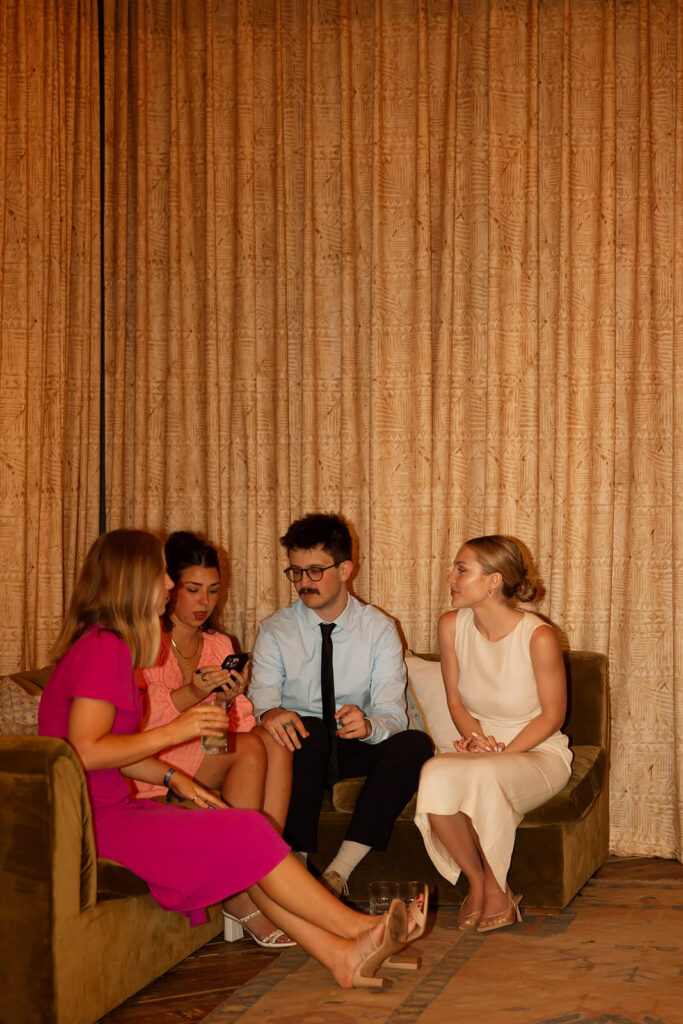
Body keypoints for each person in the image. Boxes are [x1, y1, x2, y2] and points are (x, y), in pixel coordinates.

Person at [37, 528, 427, 989]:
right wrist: (176, 732)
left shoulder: (106, 645)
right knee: (247, 827)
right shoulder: (104, 649)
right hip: (94, 819)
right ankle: (362, 930)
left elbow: (102, 750)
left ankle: (343, 957)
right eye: (163, 575)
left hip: (111, 807)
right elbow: (81, 751)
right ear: (131, 580)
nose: (168, 585)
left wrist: (172, 777)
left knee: (247, 830)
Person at [250, 513, 433, 896]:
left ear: (346, 569)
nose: (303, 583)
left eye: (315, 571)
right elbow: (263, 697)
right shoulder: (275, 629)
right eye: (296, 572)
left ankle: (338, 872)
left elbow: (392, 710)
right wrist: (271, 712)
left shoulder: (379, 629)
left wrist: (368, 726)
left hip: (354, 744)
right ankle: (295, 873)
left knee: (414, 745)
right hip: (301, 748)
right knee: (308, 729)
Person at [136, 532, 293, 945]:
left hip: (205, 756)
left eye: (213, 590)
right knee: (257, 744)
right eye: (192, 590)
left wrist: (225, 700)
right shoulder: (143, 644)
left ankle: (265, 865)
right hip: (154, 765)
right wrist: (192, 694)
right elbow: (139, 728)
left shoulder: (219, 644)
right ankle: (249, 887)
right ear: (168, 586)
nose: (204, 603)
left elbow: (229, 736)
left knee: (272, 738)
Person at [414, 535, 573, 932]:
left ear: (493, 581)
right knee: (434, 772)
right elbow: (456, 702)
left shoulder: (539, 637)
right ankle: (480, 881)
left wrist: (498, 755)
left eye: (461, 570)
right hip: (483, 749)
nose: (450, 576)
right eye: (454, 568)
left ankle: (498, 888)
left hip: (537, 752)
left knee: (483, 774)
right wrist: (473, 737)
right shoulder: (451, 626)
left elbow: (552, 716)